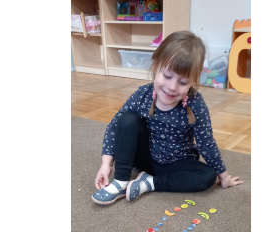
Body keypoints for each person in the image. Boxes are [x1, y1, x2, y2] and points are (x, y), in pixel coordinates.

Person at [92, 30, 244, 205]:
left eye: (183, 82)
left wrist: (224, 176)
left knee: (208, 176)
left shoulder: (196, 104)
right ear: (156, 66)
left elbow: (206, 143)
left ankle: (149, 183)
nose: (172, 87)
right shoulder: (143, 94)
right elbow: (114, 127)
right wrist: (106, 164)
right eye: (167, 76)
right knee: (127, 119)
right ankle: (121, 182)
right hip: (145, 159)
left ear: (193, 81)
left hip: (177, 164)